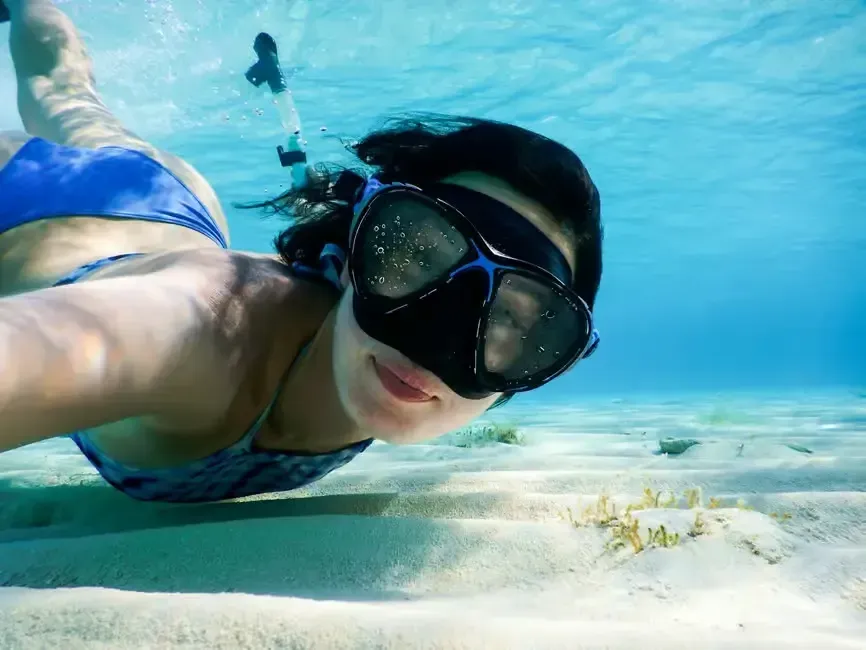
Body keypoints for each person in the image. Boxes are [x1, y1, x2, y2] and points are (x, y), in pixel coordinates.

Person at [0, 0, 603, 503]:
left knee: (67, 92)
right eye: (419, 256)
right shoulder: (208, 331)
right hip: (30, 210)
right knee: (59, 91)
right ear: (351, 257)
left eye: (511, 321)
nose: (435, 343)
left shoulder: (362, 355)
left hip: (175, 202)